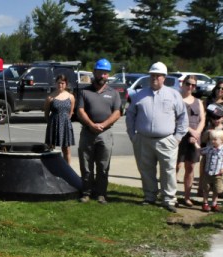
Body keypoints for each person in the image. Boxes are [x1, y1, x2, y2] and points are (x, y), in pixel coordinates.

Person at [125, 62, 188, 212]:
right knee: (146, 169)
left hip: (166, 140)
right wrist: (132, 135)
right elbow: (130, 116)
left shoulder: (173, 95)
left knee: (168, 171)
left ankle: (169, 199)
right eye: (152, 75)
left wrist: (177, 138)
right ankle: (149, 196)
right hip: (143, 139)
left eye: (158, 75)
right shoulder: (139, 95)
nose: (154, 78)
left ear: (164, 77)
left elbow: (182, 118)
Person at [76, 58, 122, 204]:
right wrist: (91, 124)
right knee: (86, 164)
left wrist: (103, 124)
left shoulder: (113, 93)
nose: (103, 76)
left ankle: (101, 193)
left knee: (103, 165)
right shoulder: (84, 92)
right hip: (88, 132)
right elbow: (80, 110)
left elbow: (117, 112)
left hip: (105, 133)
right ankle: (86, 192)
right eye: (101, 72)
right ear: (94, 72)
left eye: (106, 73)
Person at [176, 76, 205, 206]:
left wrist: (197, 132)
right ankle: (170, 194)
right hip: (179, 136)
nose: (190, 87)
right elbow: (174, 118)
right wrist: (190, 130)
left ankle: (187, 197)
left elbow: (202, 119)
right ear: (183, 84)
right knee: (176, 166)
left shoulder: (198, 101)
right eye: (188, 84)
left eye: (193, 85)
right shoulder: (177, 99)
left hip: (194, 138)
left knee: (191, 166)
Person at [199, 129, 223, 212]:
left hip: (218, 174)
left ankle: (214, 204)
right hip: (208, 173)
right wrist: (195, 144)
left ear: (221, 140)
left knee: (216, 190)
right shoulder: (209, 148)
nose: (212, 141)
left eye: (215, 139)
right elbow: (201, 151)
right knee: (206, 189)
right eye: (211, 139)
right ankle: (205, 203)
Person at [44, 74, 76, 164]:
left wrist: (64, 120)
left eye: (62, 83)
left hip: (65, 124)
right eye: (58, 83)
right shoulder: (50, 97)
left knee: (66, 150)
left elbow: (71, 112)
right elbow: (46, 114)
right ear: (55, 84)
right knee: (50, 149)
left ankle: (68, 171)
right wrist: (51, 123)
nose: (60, 85)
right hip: (53, 124)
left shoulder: (71, 97)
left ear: (66, 84)